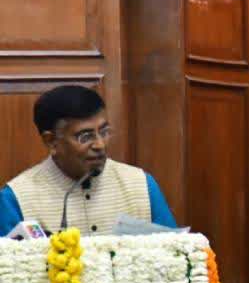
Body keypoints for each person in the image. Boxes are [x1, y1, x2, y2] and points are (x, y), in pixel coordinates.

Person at [1, 85, 176, 236]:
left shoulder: (141, 184)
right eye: (85, 137)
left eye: (104, 132)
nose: (100, 144)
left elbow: (176, 256)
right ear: (51, 141)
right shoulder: (16, 199)